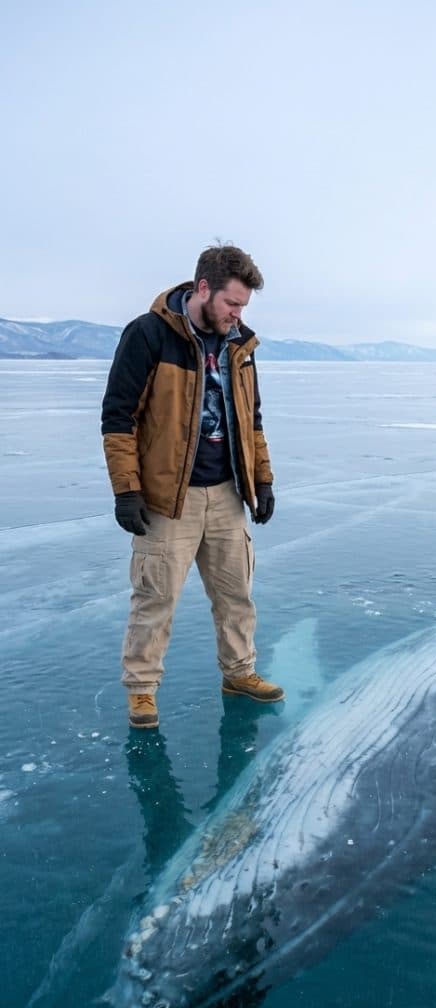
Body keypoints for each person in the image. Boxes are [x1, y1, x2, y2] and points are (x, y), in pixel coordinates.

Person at [102, 242, 285, 729]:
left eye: (243, 306)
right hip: (168, 499)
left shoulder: (240, 346)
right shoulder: (148, 336)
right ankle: (142, 691)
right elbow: (118, 419)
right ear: (203, 289)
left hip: (226, 493)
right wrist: (127, 490)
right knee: (155, 598)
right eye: (231, 303)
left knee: (236, 595)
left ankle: (239, 672)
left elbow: (254, 421)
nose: (237, 314)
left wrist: (261, 481)